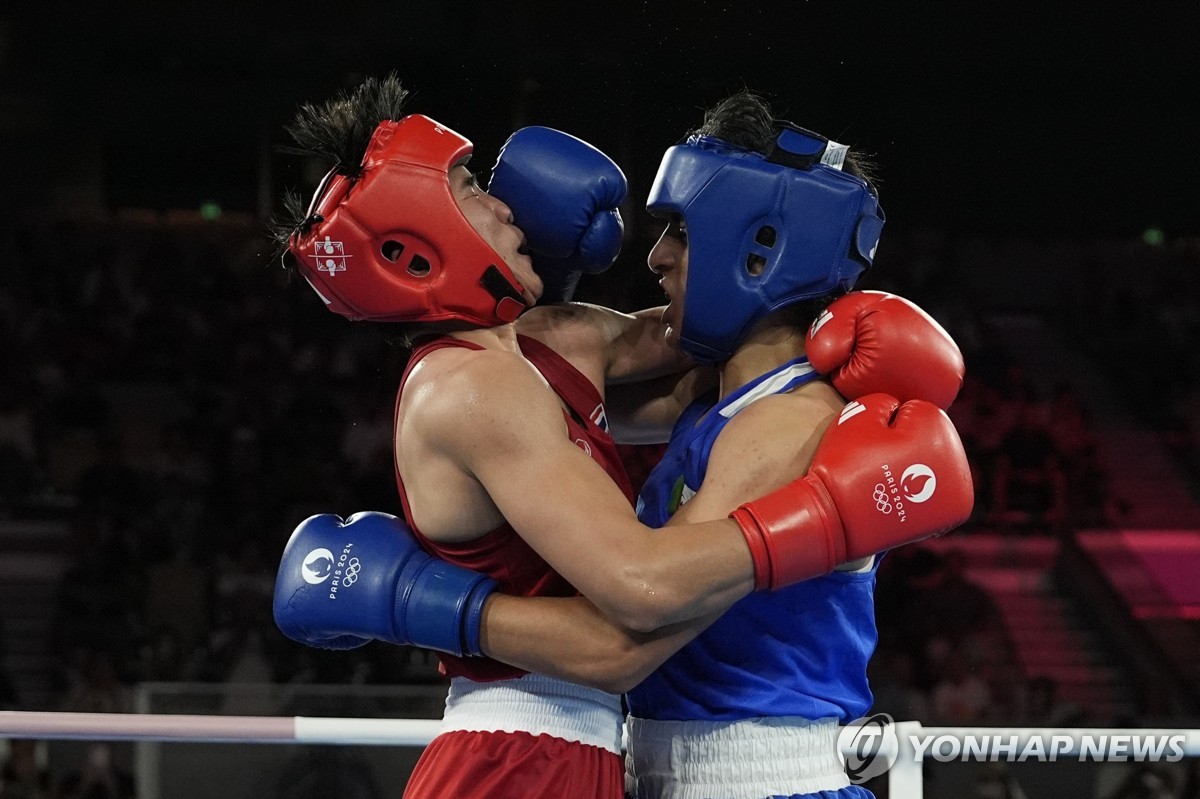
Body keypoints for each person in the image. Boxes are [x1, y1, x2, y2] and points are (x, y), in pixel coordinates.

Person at [271, 75, 973, 799]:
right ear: (415, 247)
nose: (654, 256)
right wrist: (830, 512)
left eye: (684, 231)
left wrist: (416, 601)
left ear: (758, 249)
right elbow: (636, 602)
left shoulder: (756, 412)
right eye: (472, 188)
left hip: (708, 769)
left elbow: (656, 350)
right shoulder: (486, 383)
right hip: (561, 752)